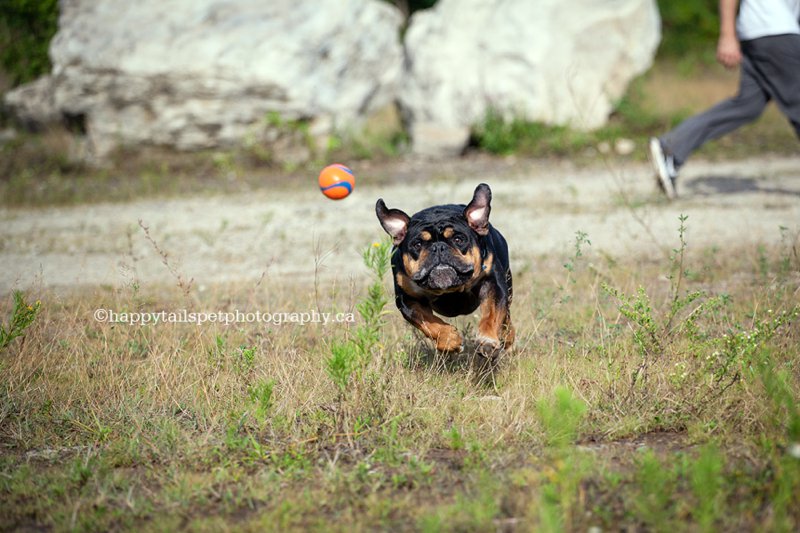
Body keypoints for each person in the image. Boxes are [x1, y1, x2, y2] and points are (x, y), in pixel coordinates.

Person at [648, 0, 800, 199]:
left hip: (762, 31)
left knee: (747, 105)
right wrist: (727, 35)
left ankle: (672, 147)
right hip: (774, 32)